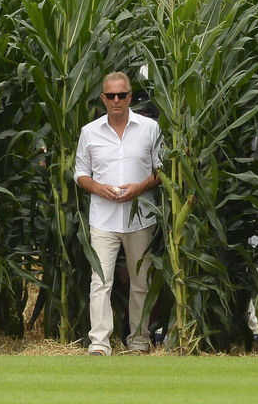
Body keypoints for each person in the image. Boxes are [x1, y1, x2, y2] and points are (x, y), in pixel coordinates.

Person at [74, 71, 162, 355]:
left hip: (140, 218)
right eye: (110, 95)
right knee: (100, 281)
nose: (116, 100)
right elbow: (80, 174)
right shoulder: (90, 132)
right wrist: (98, 188)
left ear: (130, 96)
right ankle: (99, 344)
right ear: (103, 98)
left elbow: (161, 171)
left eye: (121, 95)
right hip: (103, 219)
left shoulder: (150, 129)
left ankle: (138, 342)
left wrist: (141, 188)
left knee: (140, 282)